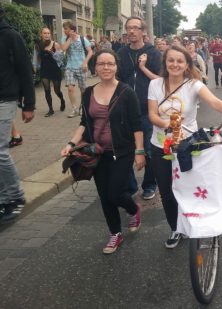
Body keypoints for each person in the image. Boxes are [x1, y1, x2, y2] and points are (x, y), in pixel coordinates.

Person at [147, 46, 222, 248]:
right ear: (165, 63)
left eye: (180, 61)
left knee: (190, 188)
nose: (175, 64)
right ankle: (176, 228)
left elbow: (213, 101)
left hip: (187, 146)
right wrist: (167, 124)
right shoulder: (155, 84)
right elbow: (152, 114)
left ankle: (197, 220)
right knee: (167, 192)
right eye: (171, 60)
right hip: (160, 146)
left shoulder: (193, 85)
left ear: (187, 64)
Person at [61, 49, 144, 254]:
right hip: (97, 152)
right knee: (104, 196)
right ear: (95, 67)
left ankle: (133, 209)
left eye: (110, 63)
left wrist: (140, 151)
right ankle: (115, 233)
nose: (105, 67)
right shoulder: (88, 92)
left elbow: (137, 125)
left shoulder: (126, 92)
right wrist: (71, 144)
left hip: (122, 151)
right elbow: (84, 122)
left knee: (115, 193)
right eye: (101, 64)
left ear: (116, 66)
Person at [117, 16, 161, 201]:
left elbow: (160, 80)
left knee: (149, 150)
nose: (131, 31)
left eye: (135, 28)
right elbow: (116, 79)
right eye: (129, 28)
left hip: (146, 109)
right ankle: (130, 186)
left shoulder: (153, 53)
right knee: (125, 149)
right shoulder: (120, 53)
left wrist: (142, 67)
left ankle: (150, 184)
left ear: (143, 31)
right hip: (126, 109)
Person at [0, 7, 35, 222]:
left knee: (0, 152)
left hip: (5, 98)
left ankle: (16, 197)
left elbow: (25, 70)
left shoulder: (11, 36)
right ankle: (4, 199)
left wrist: (29, 104)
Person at [60, 21, 94, 118]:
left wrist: (85, 62)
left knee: (83, 90)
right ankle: (74, 109)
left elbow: (90, 52)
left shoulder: (82, 39)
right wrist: (70, 38)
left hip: (81, 67)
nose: (64, 30)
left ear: (72, 29)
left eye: (66, 28)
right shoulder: (64, 38)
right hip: (70, 67)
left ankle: (82, 108)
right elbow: (63, 49)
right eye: (64, 29)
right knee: (70, 88)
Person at [33, 26, 65, 117]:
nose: (47, 35)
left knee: (57, 90)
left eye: (48, 33)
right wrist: (34, 67)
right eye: (45, 33)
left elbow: (60, 58)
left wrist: (51, 52)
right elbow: (36, 57)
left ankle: (62, 100)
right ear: (41, 34)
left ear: (50, 34)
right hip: (44, 69)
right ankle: (51, 109)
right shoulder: (37, 45)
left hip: (55, 69)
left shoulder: (55, 44)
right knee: (47, 90)